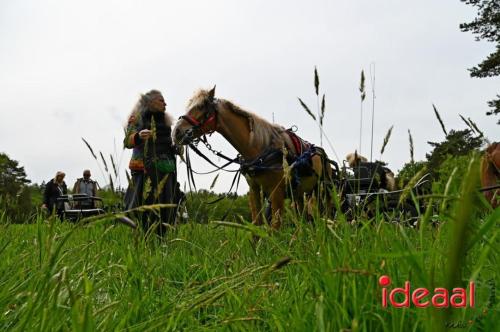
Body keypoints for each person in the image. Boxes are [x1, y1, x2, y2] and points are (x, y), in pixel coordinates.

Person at [123, 89, 180, 236]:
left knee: (166, 207)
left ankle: (162, 237)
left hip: (165, 170)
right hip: (143, 170)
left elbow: (168, 144)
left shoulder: (166, 121)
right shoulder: (136, 118)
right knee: (142, 208)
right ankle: (141, 237)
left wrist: (176, 149)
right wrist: (138, 136)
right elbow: (127, 141)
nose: (165, 103)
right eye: (161, 100)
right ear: (150, 102)